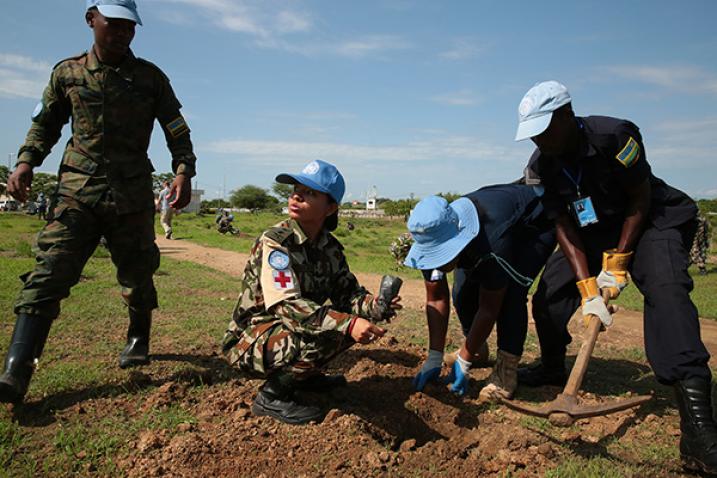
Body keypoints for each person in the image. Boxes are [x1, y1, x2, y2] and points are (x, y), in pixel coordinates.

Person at [514, 80, 717, 474]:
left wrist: (619, 261)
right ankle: (554, 367)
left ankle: (698, 430)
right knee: (548, 298)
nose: (538, 138)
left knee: (667, 292)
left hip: (649, 220)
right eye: (532, 132)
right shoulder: (540, 167)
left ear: (567, 115)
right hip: (588, 233)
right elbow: (562, 225)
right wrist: (588, 285)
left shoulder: (615, 136)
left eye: (544, 128)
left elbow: (640, 198)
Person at [0, 0, 197, 404]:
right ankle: (15, 371)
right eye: (114, 23)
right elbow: (45, 125)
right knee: (50, 270)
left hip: (132, 193)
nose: (123, 32)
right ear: (92, 19)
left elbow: (176, 128)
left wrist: (183, 171)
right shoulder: (67, 73)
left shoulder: (150, 77)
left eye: (130, 26)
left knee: (138, 271)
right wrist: (25, 163)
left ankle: (138, 337)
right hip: (77, 189)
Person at [222, 160, 401, 425]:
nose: (296, 196)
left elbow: (349, 296)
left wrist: (376, 306)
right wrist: (348, 322)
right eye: (296, 189)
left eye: (310, 193)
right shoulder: (276, 241)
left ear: (330, 208)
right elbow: (288, 306)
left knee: (347, 324)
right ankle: (272, 396)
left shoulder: (331, 248)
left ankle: (305, 377)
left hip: (287, 330)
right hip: (250, 339)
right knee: (333, 327)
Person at [404, 185, 555, 400]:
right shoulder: (430, 233)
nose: (436, 261)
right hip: (487, 232)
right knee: (462, 291)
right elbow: (436, 298)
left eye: (440, 254)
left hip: (535, 225)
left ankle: (506, 370)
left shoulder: (493, 240)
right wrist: (434, 358)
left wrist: (463, 363)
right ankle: (476, 350)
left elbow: (489, 307)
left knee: (511, 293)